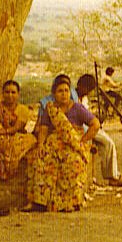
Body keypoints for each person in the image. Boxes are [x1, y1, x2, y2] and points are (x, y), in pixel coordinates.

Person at [25, 75, 100, 212]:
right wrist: (41, 145)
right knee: (41, 161)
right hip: (54, 144)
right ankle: (39, 202)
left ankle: (69, 203)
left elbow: (95, 124)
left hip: (72, 144)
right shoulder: (51, 109)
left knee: (73, 163)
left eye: (66, 90)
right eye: (60, 91)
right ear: (54, 94)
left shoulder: (77, 108)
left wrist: (82, 140)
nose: (64, 94)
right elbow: (44, 128)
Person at [76, 74, 122, 187]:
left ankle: (112, 175)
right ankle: (113, 177)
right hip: (82, 129)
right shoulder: (73, 98)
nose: (87, 93)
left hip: (88, 127)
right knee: (108, 143)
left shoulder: (83, 99)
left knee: (108, 143)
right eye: (86, 89)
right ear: (80, 85)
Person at [0, 80, 36, 180]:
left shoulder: (23, 109)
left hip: (14, 138)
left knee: (31, 139)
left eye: (13, 92)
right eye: (7, 92)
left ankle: (0, 157)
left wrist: (3, 131)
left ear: (18, 94)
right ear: (2, 93)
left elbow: (17, 128)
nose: (10, 95)